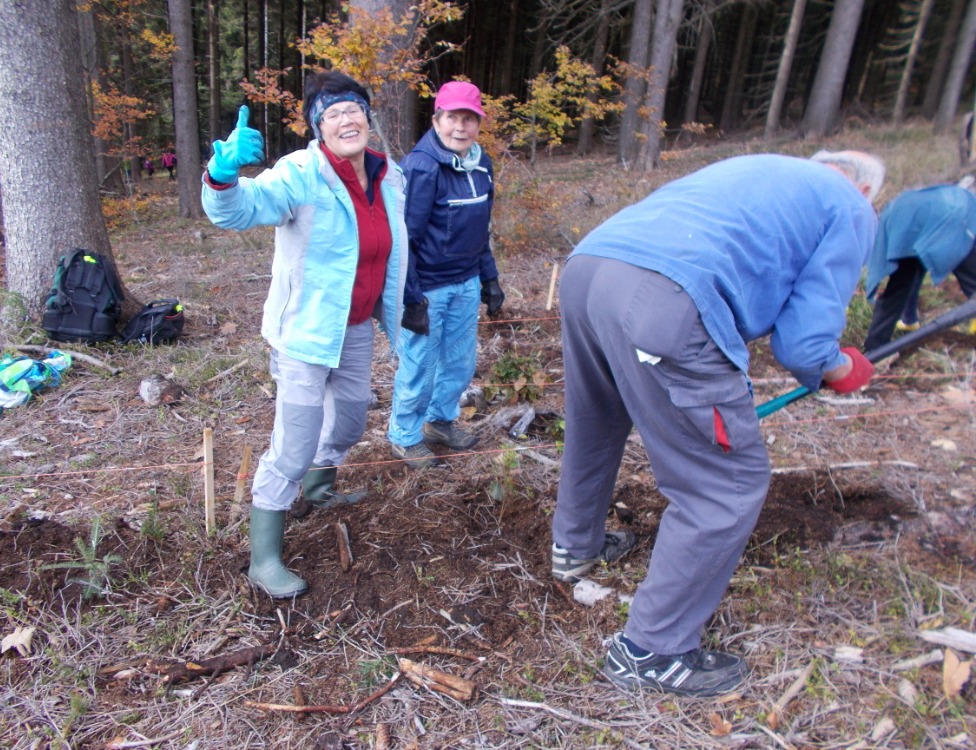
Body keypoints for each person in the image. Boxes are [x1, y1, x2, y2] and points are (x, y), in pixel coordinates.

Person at [551, 150, 884, 697]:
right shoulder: (850, 206)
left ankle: (575, 547)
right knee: (724, 482)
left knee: (597, 419)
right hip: (663, 301)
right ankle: (651, 652)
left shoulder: (767, 169)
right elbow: (804, 344)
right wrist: (842, 368)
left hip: (589, 269)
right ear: (865, 189)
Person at [201, 71, 408, 598]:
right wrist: (222, 179)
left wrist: (412, 297)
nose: (346, 119)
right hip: (304, 334)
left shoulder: (392, 177)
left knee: (352, 421)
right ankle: (264, 558)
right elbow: (243, 209)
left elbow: (394, 245)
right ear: (319, 127)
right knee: (293, 444)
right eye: (332, 113)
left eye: (354, 109)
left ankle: (319, 489)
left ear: (368, 117)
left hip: (356, 327)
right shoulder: (300, 173)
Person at [387, 81, 503, 468]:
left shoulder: (481, 163)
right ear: (437, 120)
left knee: (459, 362)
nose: (460, 127)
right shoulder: (422, 167)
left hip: (466, 281)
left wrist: (490, 278)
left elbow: (480, 229)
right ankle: (405, 434)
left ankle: (439, 422)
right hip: (429, 287)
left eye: (469, 119)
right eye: (452, 117)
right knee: (419, 363)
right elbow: (405, 239)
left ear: (478, 124)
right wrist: (411, 297)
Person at [862, 179, 976, 352]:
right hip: (952, 219)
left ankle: (875, 347)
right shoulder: (963, 204)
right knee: (972, 277)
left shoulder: (900, 207)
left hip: (908, 223)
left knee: (902, 280)